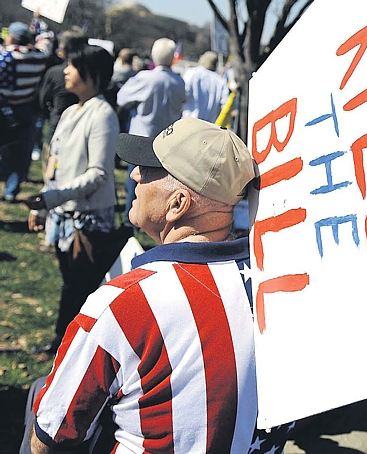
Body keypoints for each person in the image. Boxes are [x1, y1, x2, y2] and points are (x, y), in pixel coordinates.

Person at [26, 118, 293, 453]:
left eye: (151, 169)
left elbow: (51, 436)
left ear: (177, 205)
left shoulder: (123, 303)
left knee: (40, 394)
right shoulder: (279, 289)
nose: (135, 174)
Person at [25, 45, 120, 355]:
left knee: (77, 291)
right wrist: (45, 204)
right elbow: (56, 159)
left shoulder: (103, 115)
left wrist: (52, 198)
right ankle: (64, 348)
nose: (65, 71)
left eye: (73, 66)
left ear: (91, 74)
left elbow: (99, 174)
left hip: (87, 221)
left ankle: (65, 350)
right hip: (64, 216)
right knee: (70, 286)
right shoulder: (71, 110)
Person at [116, 38, 185, 226]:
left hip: (142, 136)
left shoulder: (146, 78)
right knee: (157, 183)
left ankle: (131, 221)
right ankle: (151, 220)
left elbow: (122, 97)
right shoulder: (179, 82)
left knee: (135, 181)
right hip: (166, 139)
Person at [0, 22, 49, 201]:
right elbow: (45, 43)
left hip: (6, 109)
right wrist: (38, 25)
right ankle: (11, 190)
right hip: (26, 108)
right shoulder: (38, 57)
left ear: (12, 37)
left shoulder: (8, 57)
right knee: (21, 152)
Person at [38, 29, 88, 174]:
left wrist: (50, 114)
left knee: (50, 171)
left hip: (57, 124)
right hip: (82, 128)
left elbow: (43, 100)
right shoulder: (91, 74)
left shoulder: (55, 72)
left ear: (64, 49)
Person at [182, 50, 230, 123]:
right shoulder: (220, 81)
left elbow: (182, 95)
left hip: (189, 122)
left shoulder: (191, 73)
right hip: (210, 127)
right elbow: (225, 104)